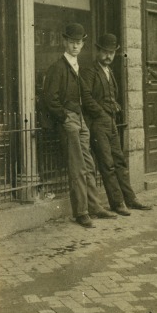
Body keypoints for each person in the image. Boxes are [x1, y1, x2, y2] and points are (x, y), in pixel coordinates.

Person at [41, 23, 116, 228]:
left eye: (78, 42)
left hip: (80, 119)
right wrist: (65, 118)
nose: (75, 46)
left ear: (83, 45)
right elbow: (50, 99)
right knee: (77, 167)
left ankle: (95, 206)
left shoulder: (77, 67)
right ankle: (81, 212)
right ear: (64, 42)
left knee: (89, 165)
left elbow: (85, 94)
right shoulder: (58, 68)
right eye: (71, 42)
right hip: (69, 120)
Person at [82, 33, 152, 215]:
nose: (108, 56)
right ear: (98, 51)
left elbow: (114, 94)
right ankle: (117, 202)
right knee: (107, 164)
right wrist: (101, 113)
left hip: (111, 121)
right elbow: (86, 97)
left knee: (120, 162)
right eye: (105, 52)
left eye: (112, 53)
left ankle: (131, 199)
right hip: (98, 123)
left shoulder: (109, 71)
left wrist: (114, 108)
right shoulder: (90, 71)